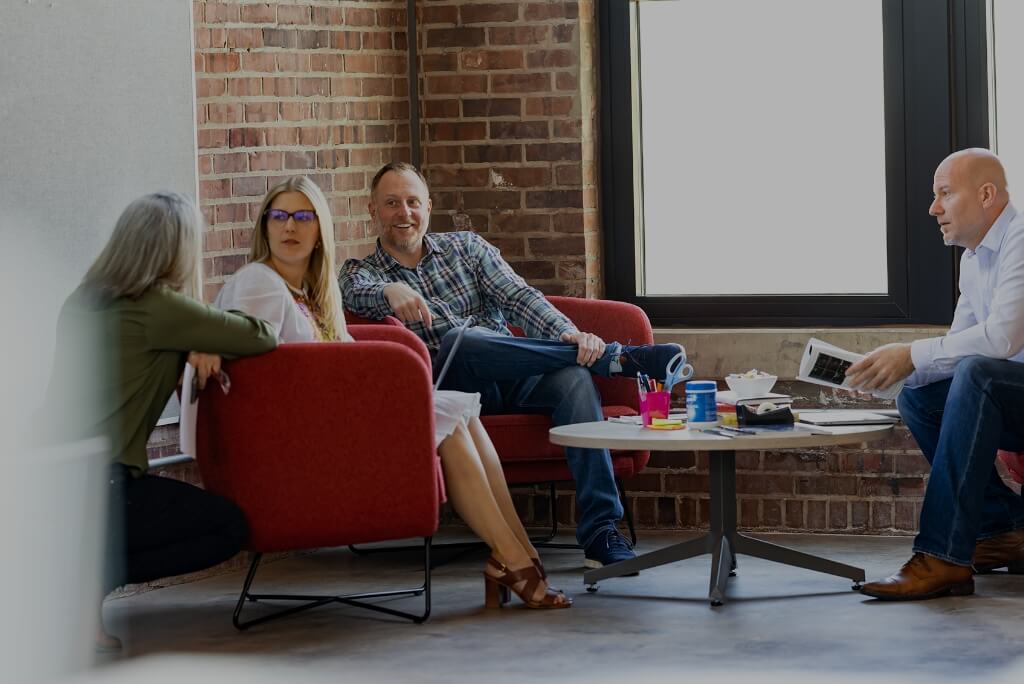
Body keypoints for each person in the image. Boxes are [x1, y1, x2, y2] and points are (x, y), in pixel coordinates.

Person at [214, 176, 570, 609]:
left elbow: (341, 358)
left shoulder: (310, 291)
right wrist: (201, 344)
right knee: (449, 419)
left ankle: (518, 555)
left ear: (319, 229)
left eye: (303, 217)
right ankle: (515, 559)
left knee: (461, 415)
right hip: (299, 433)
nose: (291, 227)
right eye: (280, 216)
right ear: (265, 227)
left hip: (328, 413)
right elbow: (248, 358)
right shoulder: (260, 281)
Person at [340, 162, 683, 569]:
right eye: (392, 203)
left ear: (428, 206)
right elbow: (355, 293)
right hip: (458, 389)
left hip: (514, 372)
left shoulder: (467, 248)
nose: (404, 212)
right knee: (461, 340)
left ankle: (601, 532)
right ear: (373, 210)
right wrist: (389, 288)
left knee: (573, 378)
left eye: (413, 202)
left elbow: (519, 298)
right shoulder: (361, 272)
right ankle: (617, 359)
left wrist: (570, 335)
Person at [42, 192, 279, 650]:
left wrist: (192, 340)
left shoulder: (84, 299)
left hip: (55, 471)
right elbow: (260, 334)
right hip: (102, 485)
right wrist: (202, 337)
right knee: (226, 528)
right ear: (177, 249)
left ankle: (72, 591)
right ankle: (74, 586)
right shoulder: (157, 307)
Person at [847, 148, 1024, 600]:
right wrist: (894, 376)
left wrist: (912, 353)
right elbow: (959, 345)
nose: (933, 208)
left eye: (945, 193)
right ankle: (1002, 529)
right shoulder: (974, 258)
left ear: (986, 195)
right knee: (919, 398)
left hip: (1007, 387)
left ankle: (942, 556)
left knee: (978, 374)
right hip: (1012, 394)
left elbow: (1003, 339)